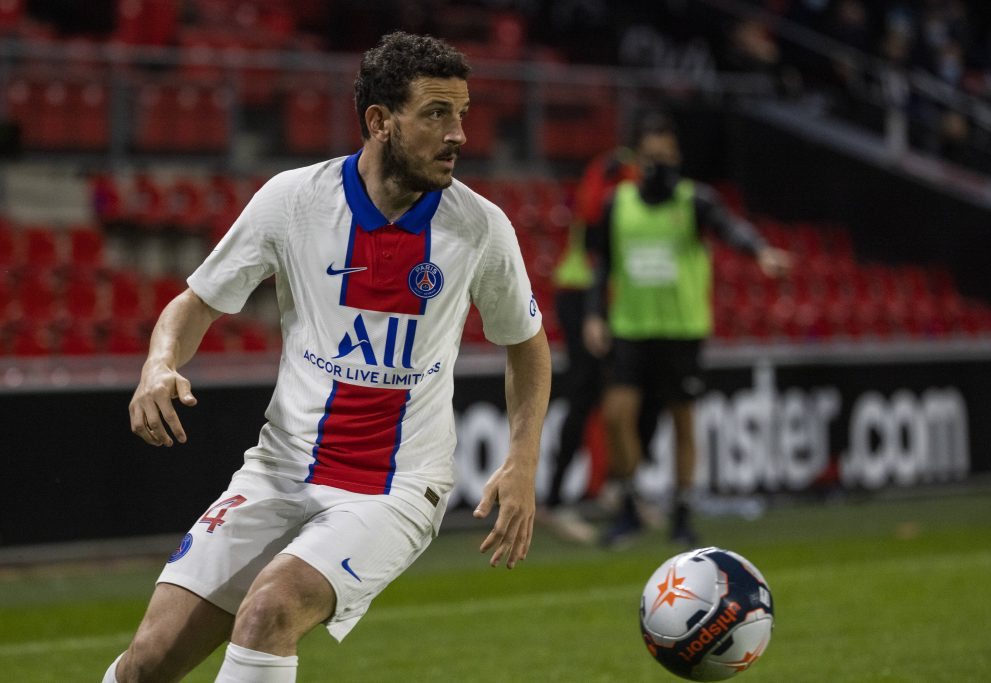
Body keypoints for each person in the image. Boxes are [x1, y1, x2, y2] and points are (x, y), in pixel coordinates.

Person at [103, 32, 550, 683]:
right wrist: (158, 364)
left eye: (462, 113)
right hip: (280, 469)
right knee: (147, 662)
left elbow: (527, 345)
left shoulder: (480, 226)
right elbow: (195, 303)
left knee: (271, 608)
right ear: (380, 120)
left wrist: (523, 459)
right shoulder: (294, 201)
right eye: (435, 113)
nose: (458, 133)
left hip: (396, 487)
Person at [583, 112, 789, 548]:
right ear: (638, 158)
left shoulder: (695, 200)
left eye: (666, 155)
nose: (659, 164)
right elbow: (603, 265)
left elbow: (730, 228)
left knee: (683, 422)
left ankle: (681, 512)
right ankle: (630, 504)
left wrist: (760, 251)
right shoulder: (618, 204)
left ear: (677, 156)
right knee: (617, 415)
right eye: (651, 156)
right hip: (631, 327)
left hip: (681, 330)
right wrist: (594, 314)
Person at [539, 145, 664, 544]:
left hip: (619, 298)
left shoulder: (635, 178)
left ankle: (619, 486)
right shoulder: (614, 172)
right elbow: (595, 223)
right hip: (581, 292)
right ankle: (556, 499)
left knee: (635, 393)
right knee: (585, 391)